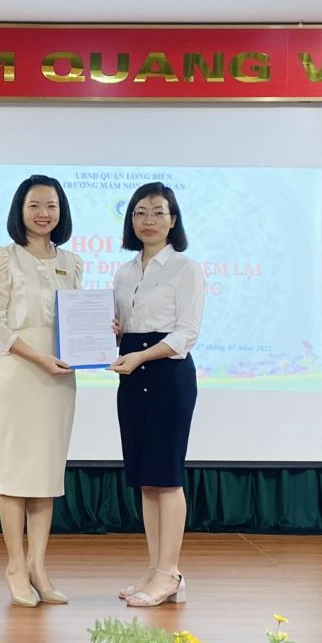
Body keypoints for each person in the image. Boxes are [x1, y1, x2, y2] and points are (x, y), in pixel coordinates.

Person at [0, 175, 84, 607]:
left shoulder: (72, 262)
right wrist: (38, 357)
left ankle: (38, 568)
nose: (44, 213)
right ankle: (14, 566)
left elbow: (77, 319)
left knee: (46, 473)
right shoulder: (3, 258)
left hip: (60, 376)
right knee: (16, 471)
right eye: (35, 205)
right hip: (21, 370)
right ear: (19, 210)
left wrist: (103, 330)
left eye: (52, 206)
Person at [109, 182, 204, 608]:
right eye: (140, 213)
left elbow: (186, 334)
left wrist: (141, 355)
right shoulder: (125, 272)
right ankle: (155, 570)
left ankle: (170, 573)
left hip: (168, 375)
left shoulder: (186, 269)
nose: (149, 220)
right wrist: (113, 334)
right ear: (131, 220)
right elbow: (124, 328)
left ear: (173, 219)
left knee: (166, 477)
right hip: (131, 376)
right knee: (146, 480)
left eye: (158, 212)